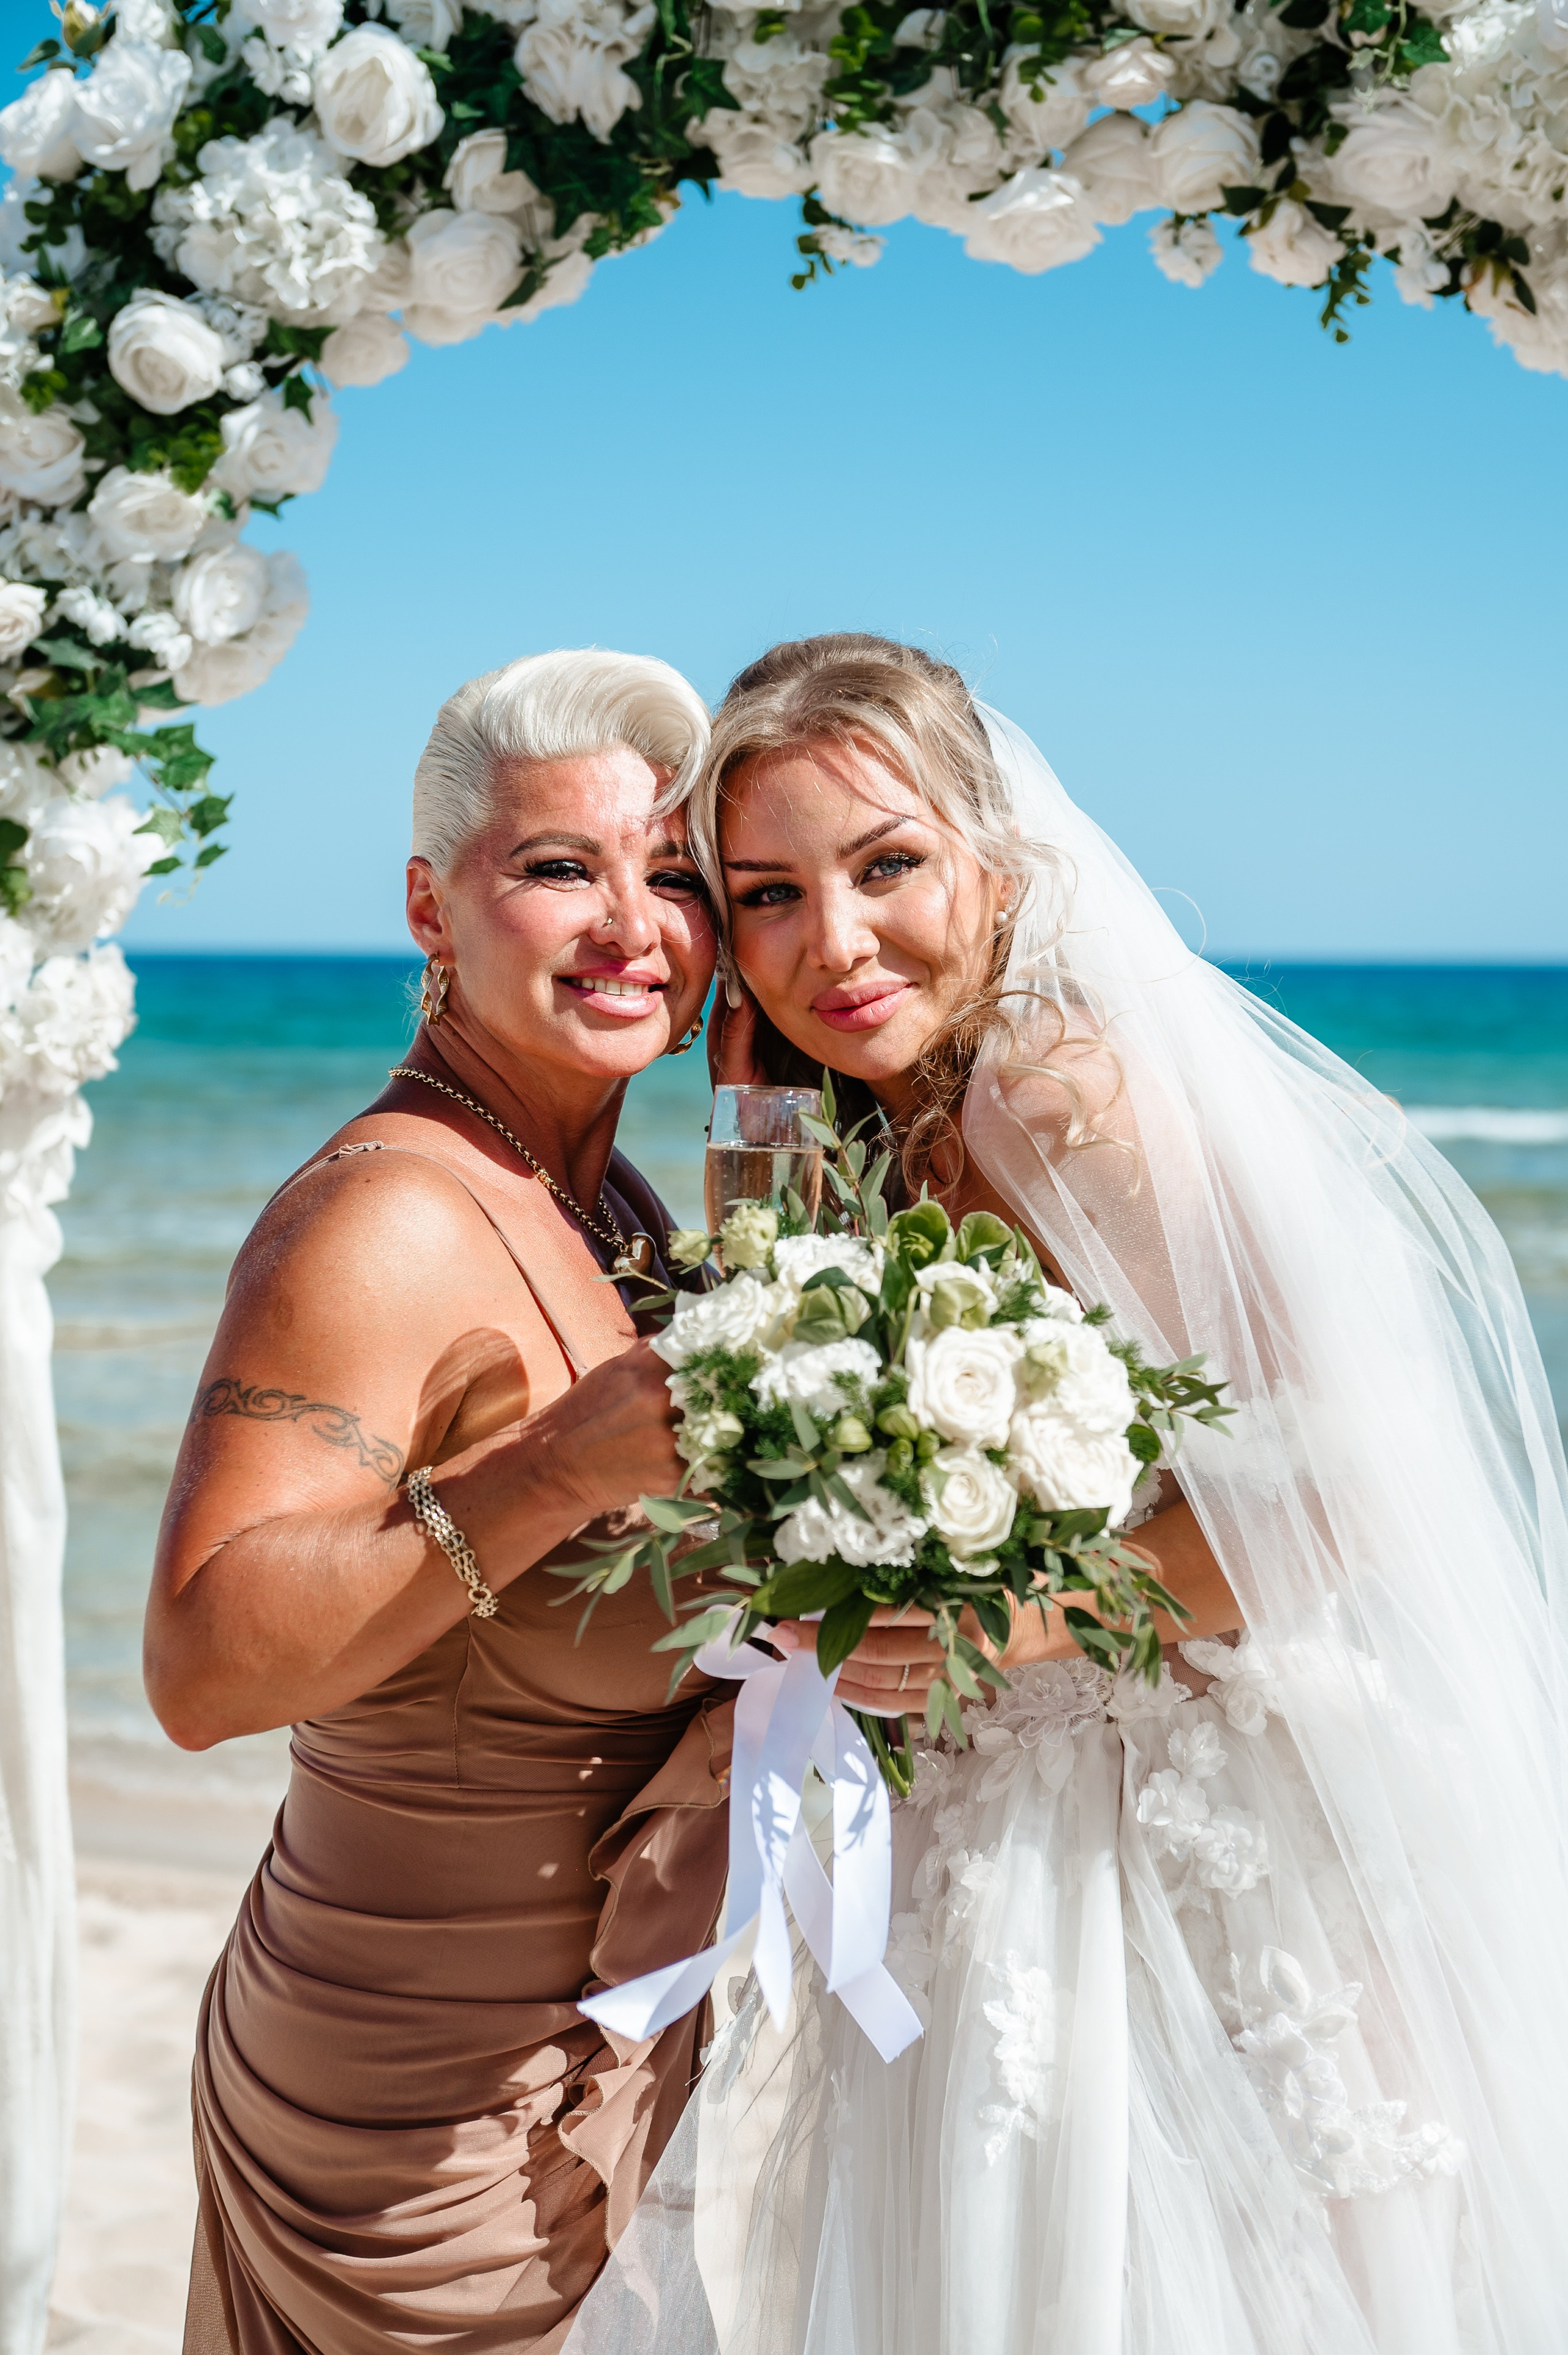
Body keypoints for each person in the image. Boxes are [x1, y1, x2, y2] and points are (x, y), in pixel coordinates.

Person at [568, 634, 1568, 2354]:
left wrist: (1022, 1612)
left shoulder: (1070, 1099)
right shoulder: (879, 1118)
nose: (840, 941)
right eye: (772, 896)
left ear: (996, 862)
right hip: (992, 1802)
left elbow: (1351, 1499)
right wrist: (744, 1077)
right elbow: (773, 1342)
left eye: (888, 865)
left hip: (1172, 1820)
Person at [145, 647, 946, 2355]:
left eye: (673, 880)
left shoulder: (609, 1194)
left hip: (583, 2083)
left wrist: (764, 1102)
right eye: (558, 869)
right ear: (432, 904)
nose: (630, 926)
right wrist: (546, 1472)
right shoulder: (386, 1220)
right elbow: (201, 1667)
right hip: (407, 2136)